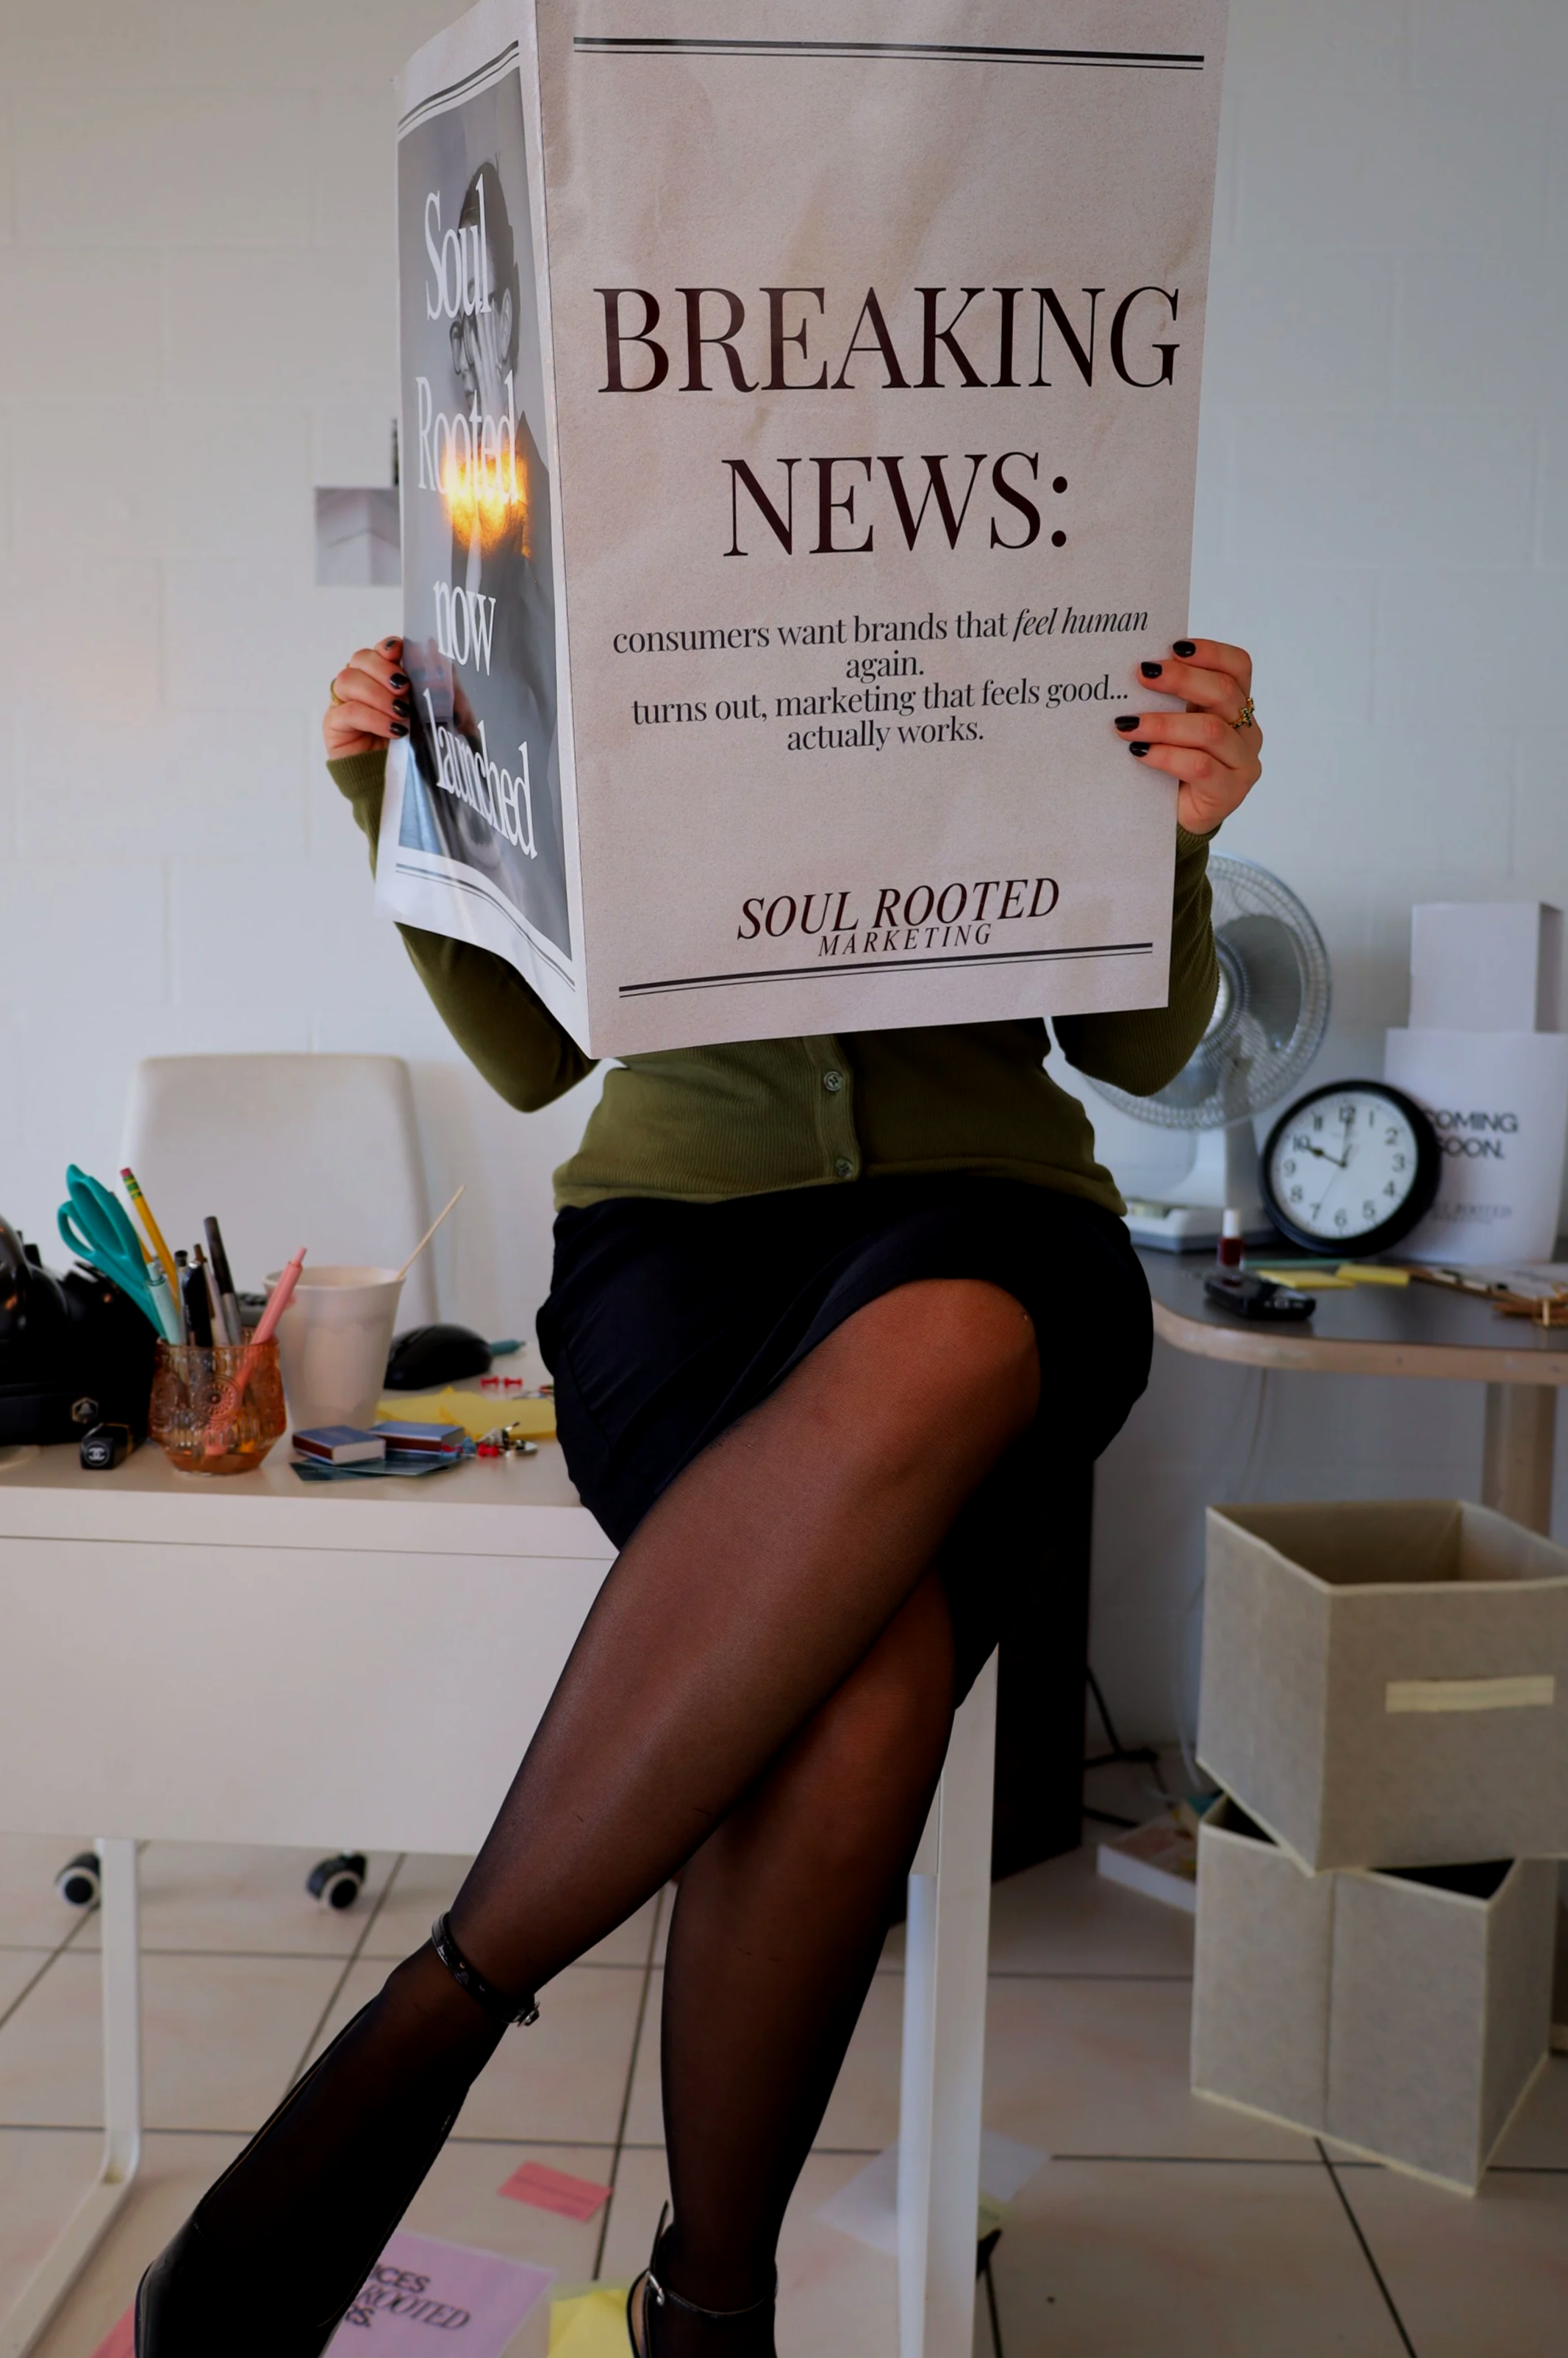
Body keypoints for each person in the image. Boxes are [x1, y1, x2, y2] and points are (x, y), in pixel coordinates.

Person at [136, 635, 1261, 2356]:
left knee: (949, 1338)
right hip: (678, 1248)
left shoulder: (1034, 599)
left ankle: (423, 2030)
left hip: (995, 1219)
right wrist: (402, 789)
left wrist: (1177, 824)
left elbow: (1128, 1033)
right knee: (865, 1690)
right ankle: (710, 2303)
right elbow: (530, 1059)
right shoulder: (618, 597)